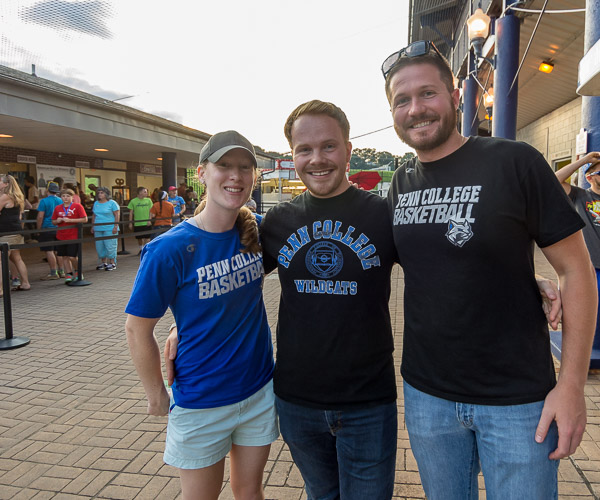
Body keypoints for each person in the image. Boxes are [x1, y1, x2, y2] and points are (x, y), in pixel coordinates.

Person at [164, 101, 565, 500]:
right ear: (292, 156)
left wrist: (526, 276)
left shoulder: (384, 213)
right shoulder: (278, 222)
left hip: (367, 403)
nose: (317, 159)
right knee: (322, 494)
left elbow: (443, 257)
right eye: (304, 150)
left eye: (328, 147)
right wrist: (183, 324)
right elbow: (233, 278)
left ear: (348, 151)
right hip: (296, 400)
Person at [381, 40, 597, 499]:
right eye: (402, 99)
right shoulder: (401, 182)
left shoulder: (514, 162)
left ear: (457, 97)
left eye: (428, 94)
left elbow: (577, 273)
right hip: (428, 396)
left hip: (518, 400)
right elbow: (429, 263)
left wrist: (572, 384)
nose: (415, 109)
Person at [125, 130, 278, 500]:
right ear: (201, 173)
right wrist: (156, 395)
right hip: (201, 400)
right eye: (224, 165)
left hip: (258, 390)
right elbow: (136, 329)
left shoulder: (257, 229)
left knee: (250, 493)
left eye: (245, 167)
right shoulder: (169, 249)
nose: (236, 176)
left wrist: (183, 325)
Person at [555, 151, 600, 354]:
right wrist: (583, 161)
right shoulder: (581, 196)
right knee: (587, 312)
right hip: (591, 267)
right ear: (589, 177)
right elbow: (554, 180)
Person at [0, 174, 31, 294]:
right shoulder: (18, 196)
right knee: (17, 258)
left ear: (6, 184)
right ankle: (25, 283)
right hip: (16, 230)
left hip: (6, 232)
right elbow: (19, 215)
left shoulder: (5, 196)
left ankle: (1, 289)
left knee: (1, 260)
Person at [51, 188, 88, 283]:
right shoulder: (58, 208)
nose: (65, 198)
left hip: (74, 235)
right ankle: (69, 273)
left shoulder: (78, 206)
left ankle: (77, 271)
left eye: (68, 196)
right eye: (63, 196)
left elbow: (84, 219)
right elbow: (53, 221)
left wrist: (71, 220)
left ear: (72, 197)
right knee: (64, 256)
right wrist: (57, 221)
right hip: (61, 235)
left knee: (72, 256)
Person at [36, 181, 65, 280]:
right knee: (58, 250)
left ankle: (53, 272)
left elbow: (40, 217)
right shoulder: (61, 201)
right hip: (59, 228)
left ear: (47, 190)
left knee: (49, 250)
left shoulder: (44, 201)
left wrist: (38, 229)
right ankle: (62, 271)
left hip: (47, 228)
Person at [91, 187, 120, 271]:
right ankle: (103, 262)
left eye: (102, 193)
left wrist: (115, 226)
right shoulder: (96, 203)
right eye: (99, 193)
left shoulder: (112, 203)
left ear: (106, 194)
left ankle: (112, 262)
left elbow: (117, 215)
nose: (100, 194)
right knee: (100, 245)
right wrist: (92, 226)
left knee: (110, 245)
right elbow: (94, 215)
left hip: (109, 228)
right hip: (98, 227)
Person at [127, 186, 153, 255]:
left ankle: (147, 249)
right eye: (145, 192)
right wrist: (130, 223)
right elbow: (131, 212)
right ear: (140, 192)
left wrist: (149, 220)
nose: (146, 193)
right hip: (138, 223)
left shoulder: (149, 200)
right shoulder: (133, 201)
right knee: (139, 237)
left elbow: (151, 211)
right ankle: (141, 249)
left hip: (147, 222)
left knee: (147, 237)